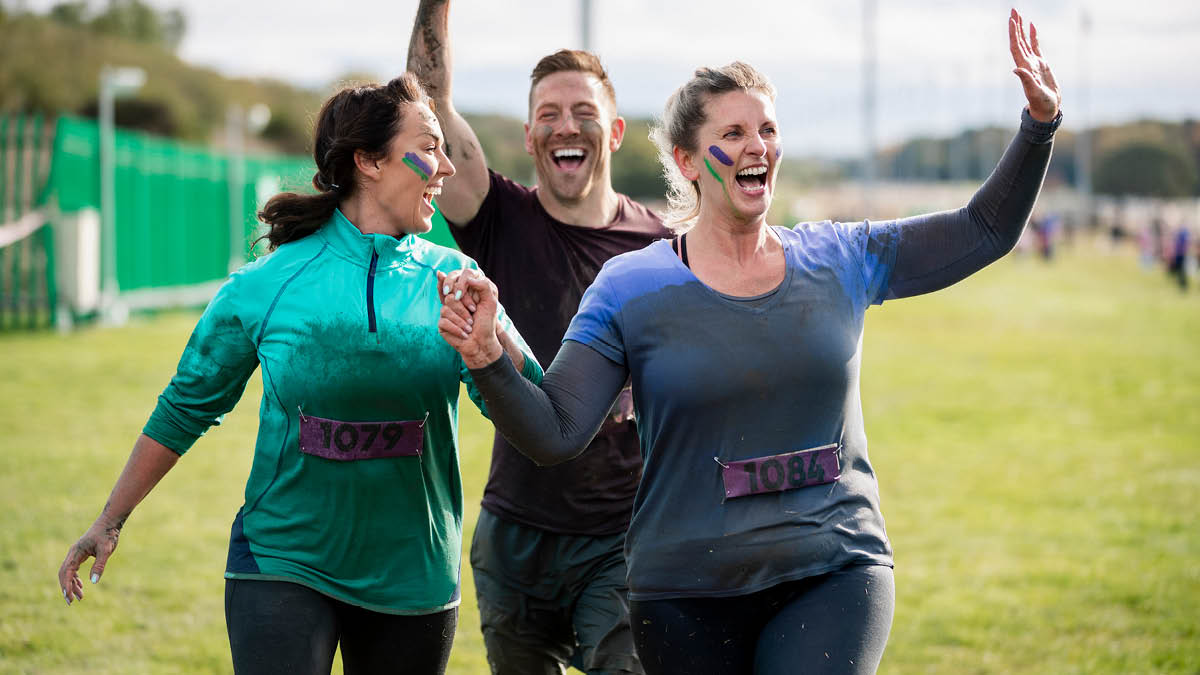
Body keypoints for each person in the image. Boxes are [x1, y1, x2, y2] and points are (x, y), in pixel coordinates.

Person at [436, 10, 1061, 674]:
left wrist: (1039, 126)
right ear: (686, 159)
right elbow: (555, 430)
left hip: (833, 563)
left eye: (767, 128)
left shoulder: (841, 257)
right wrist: (488, 358)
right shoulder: (630, 288)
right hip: (682, 587)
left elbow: (982, 231)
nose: (756, 145)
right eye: (732, 132)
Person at [56, 73, 543, 675]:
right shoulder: (267, 283)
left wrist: (489, 345)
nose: (446, 166)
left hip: (413, 574)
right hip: (283, 561)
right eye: (430, 147)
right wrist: (109, 521)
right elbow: (185, 406)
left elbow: (531, 406)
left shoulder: (457, 279)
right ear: (367, 161)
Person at [407, 3, 670, 674]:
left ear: (612, 130)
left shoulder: (663, 248)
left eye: (582, 111)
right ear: (529, 137)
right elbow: (427, 97)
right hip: (515, 538)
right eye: (547, 114)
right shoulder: (497, 216)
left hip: (623, 536)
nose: (565, 125)